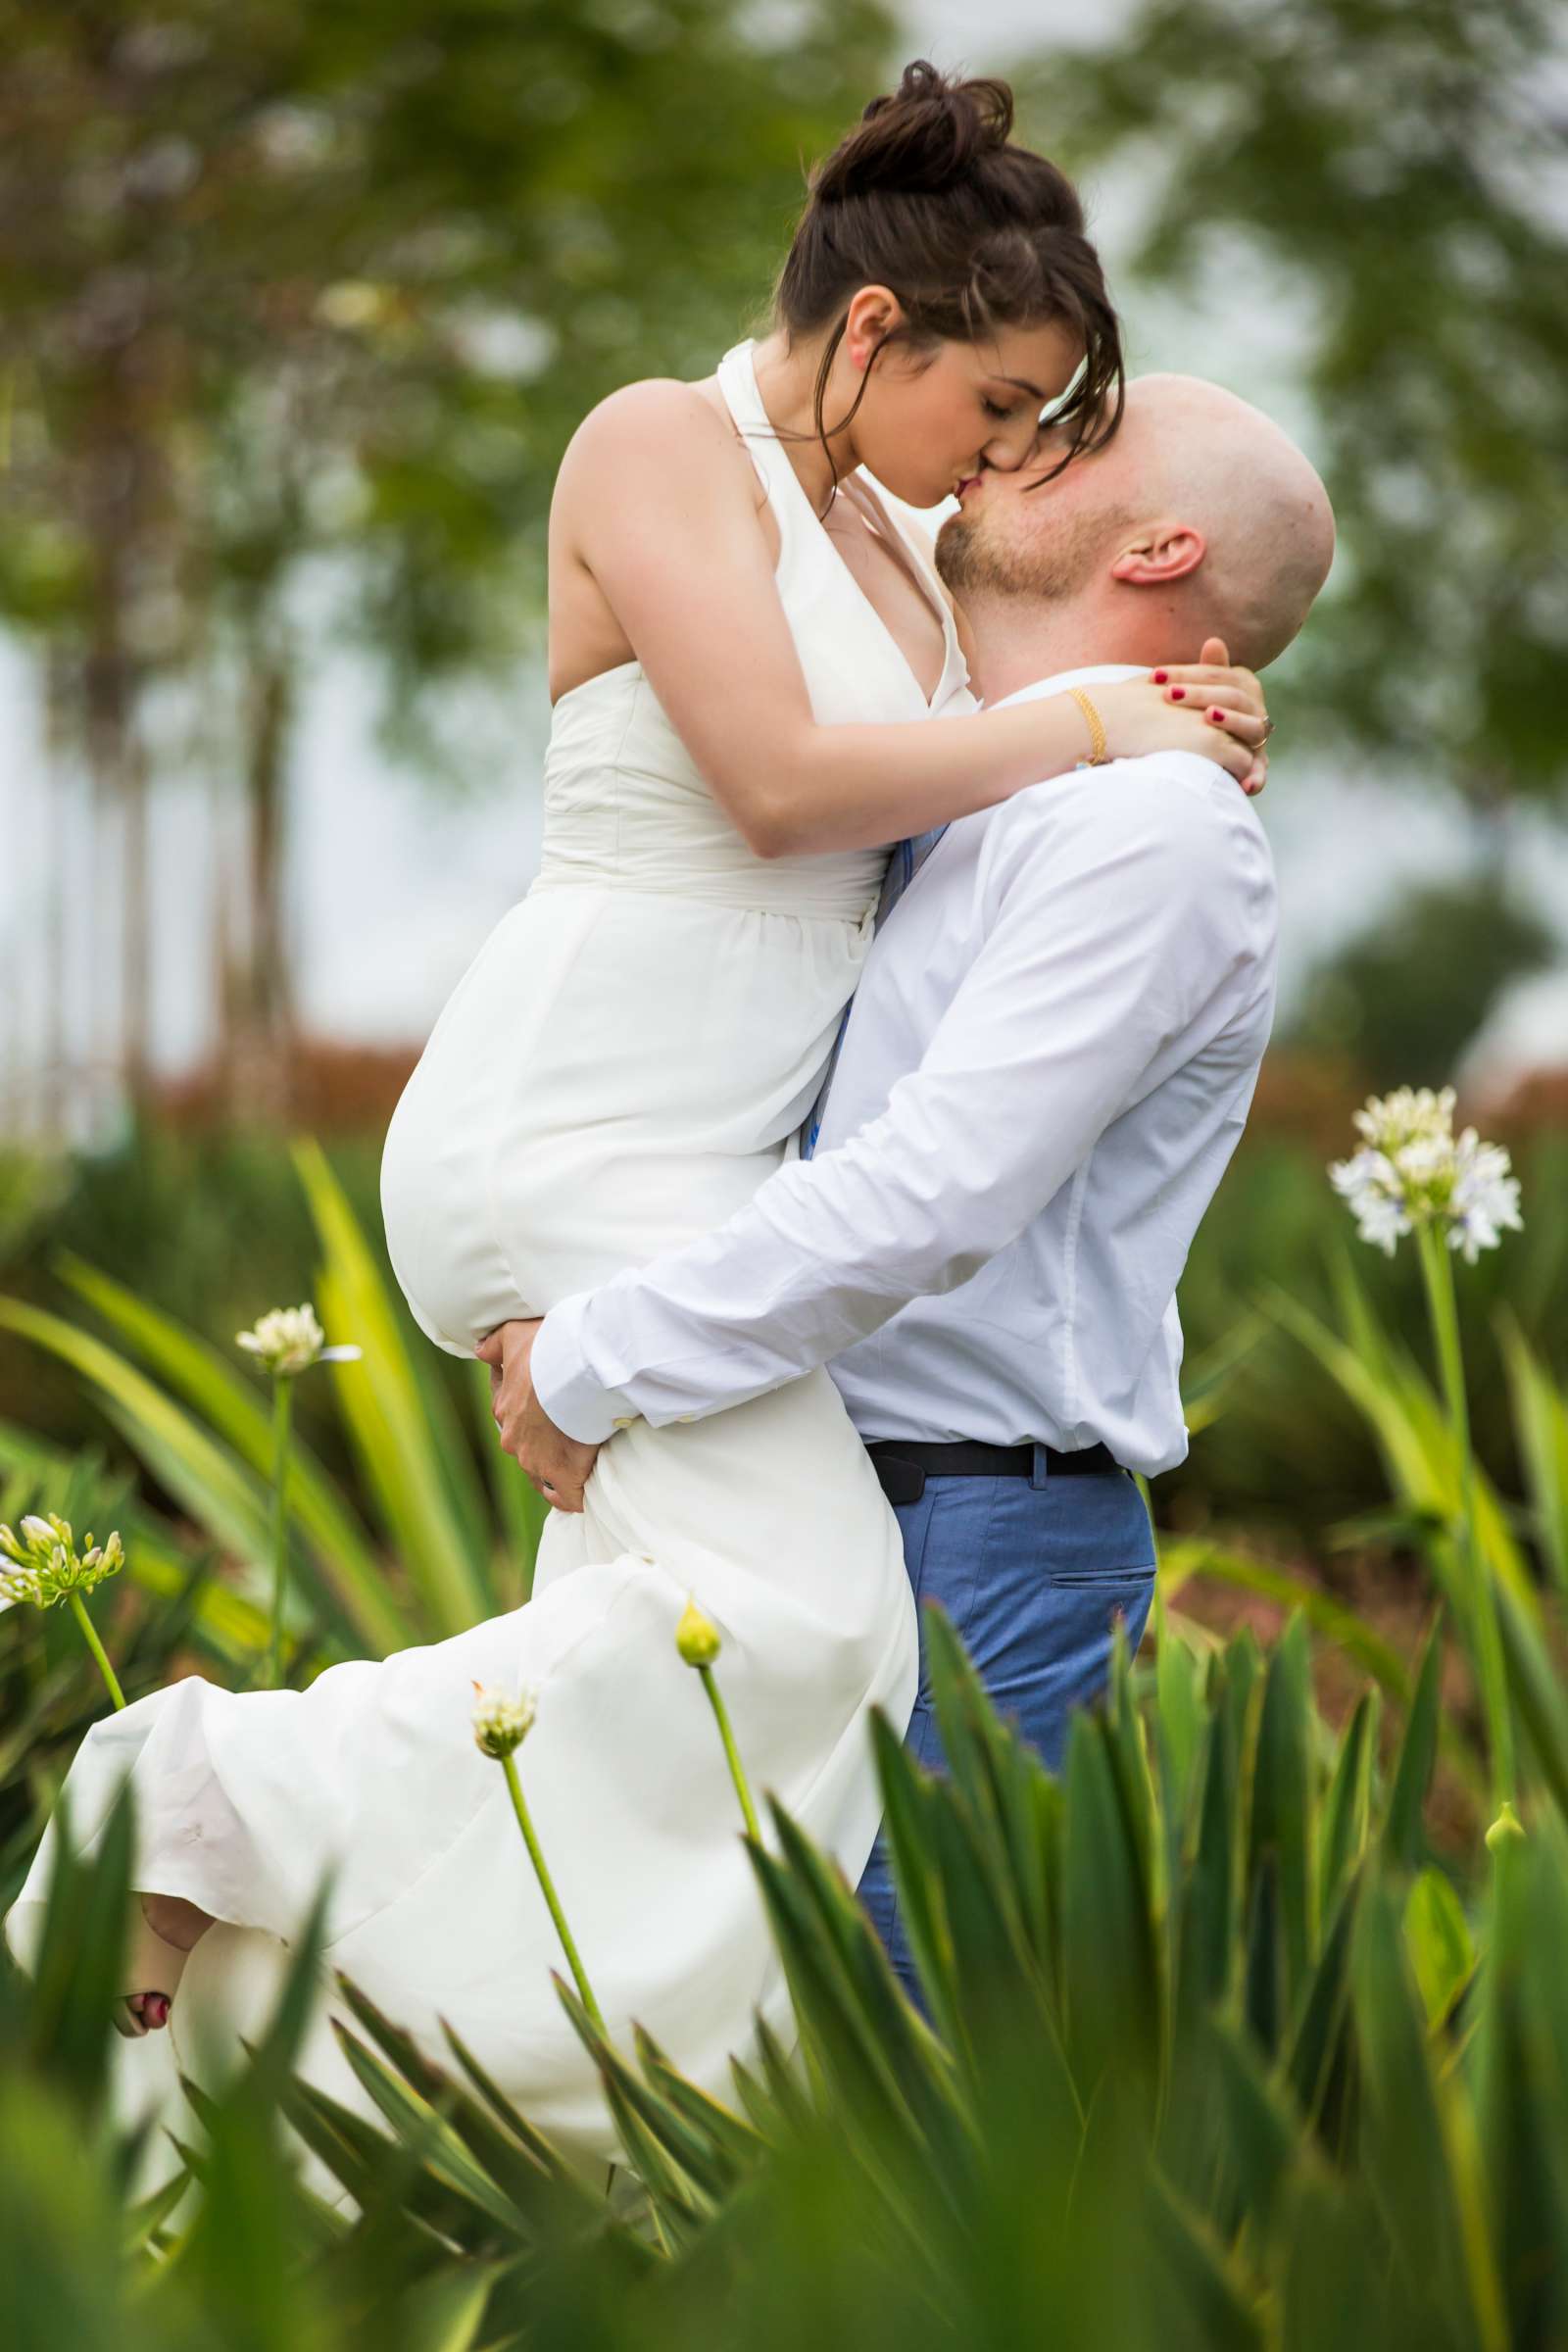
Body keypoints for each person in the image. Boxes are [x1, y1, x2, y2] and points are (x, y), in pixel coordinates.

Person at [4, 65, 1271, 2162]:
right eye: (996, 404)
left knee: (637, 1682)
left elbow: (1033, 715)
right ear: (873, 333)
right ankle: (184, 1787)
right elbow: (779, 781)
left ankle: (277, 2080)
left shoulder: (899, 540)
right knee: (822, 1624)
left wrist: (1176, 679)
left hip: (699, 1150)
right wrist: (1083, 717)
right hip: (580, 1114)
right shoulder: (653, 444)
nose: (1005, 457)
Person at [481, 370, 1335, 2000]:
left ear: (1158, 545)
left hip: (969, 1544)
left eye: (1067, 437)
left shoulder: (1155, 834)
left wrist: (594, 1366)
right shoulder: (975, 778)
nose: (1007, 447)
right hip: (799, 1507)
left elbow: (931, 1192)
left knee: (911, 2134)